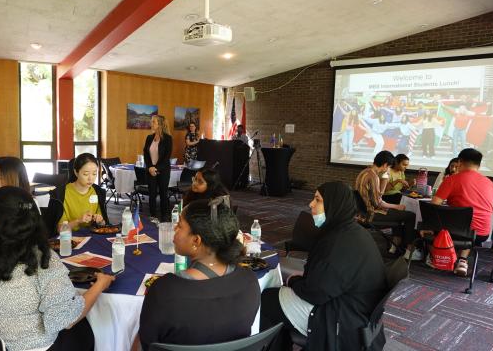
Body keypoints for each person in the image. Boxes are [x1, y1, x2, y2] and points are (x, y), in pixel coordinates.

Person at [0, 186, 115, 351]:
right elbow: (66, 320)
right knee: (84, 330)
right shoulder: (43, 260)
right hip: (31, 347)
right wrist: (100, 285)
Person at [260, 182, 387, 350]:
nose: (311, 204)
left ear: (334, 205)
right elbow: (329, 280)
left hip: (339, 317)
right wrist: (302, 279)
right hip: (356, 309)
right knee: (277, 297)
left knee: (266, 298)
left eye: (317, 200)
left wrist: (294, 282)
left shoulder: (337, 242)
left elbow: (315, 294)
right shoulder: (352, 232)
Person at [138, 197, 260, 350]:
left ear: (196, 240)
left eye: (180, 225)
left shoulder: (165, 291)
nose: (174, 228)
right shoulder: (249, 281)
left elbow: (147, 344)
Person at [432, 148, 493, 276]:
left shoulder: (452, 180)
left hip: (456, 231)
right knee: (467, 225)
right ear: (479, 164)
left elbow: (434, 204)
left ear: (460, 162)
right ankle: (462, 260)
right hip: (482, 233)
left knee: (430, 225)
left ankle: (435, 257)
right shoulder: (490, 183)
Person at [355, 150, 420, 259]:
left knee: (399, 214)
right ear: (385, 165)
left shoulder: (364, 172)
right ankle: (409, 252)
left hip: (363, 212)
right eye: (388, 167)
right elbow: (378, 203)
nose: (387, 170)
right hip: (372, 214)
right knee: (411, 216)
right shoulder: (374, 176)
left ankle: (396, 246)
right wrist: (397, 206)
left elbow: (376, 199)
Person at [48, 153, 109, 231]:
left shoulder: (98, 192)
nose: (91, 178)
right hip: (69, 238)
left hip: (92, 236)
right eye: (86, 174)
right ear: (76, 172)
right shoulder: (61, 194)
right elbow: (60, 229)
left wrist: (100, 221)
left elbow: (103, 224)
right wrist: (78, 221)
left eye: (94, 174)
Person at [143, 115, 173, 222]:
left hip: (163, 170)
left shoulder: (168, 139)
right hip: (151, 170)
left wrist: (156, 169)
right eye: (151, 121)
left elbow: (166, 157)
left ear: (160, 124)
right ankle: (153, 216)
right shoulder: (149, 138)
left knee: (163, 194)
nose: (151, 124)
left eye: (153, 122)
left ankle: (165, 216)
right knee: (152, 194)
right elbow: (146, 154)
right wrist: (150, 167)